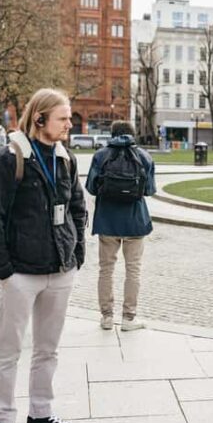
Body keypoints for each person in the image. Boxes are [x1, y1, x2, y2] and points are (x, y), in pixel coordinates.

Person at [0, 88, 87, 423]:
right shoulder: (6, 160)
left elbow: (77, 207)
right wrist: (4, 270)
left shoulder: (64, 157)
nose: (70, 124)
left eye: (70, 118)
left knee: (47, 350)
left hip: (60, 267)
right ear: (39, 119)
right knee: (8, 351)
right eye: (63, 118)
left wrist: (77, 251)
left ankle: (40, 414)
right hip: (20, 273)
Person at [85, 120, 156, 332]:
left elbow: (91, 187)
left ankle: (106, 317)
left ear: (112, 133)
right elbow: (149, 190)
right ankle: (128, 317)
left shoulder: (101, 155)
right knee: (133, 269)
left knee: (106, 269)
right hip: (135, 221)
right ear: (133, 134)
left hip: (107, 220)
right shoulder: (144, 156)